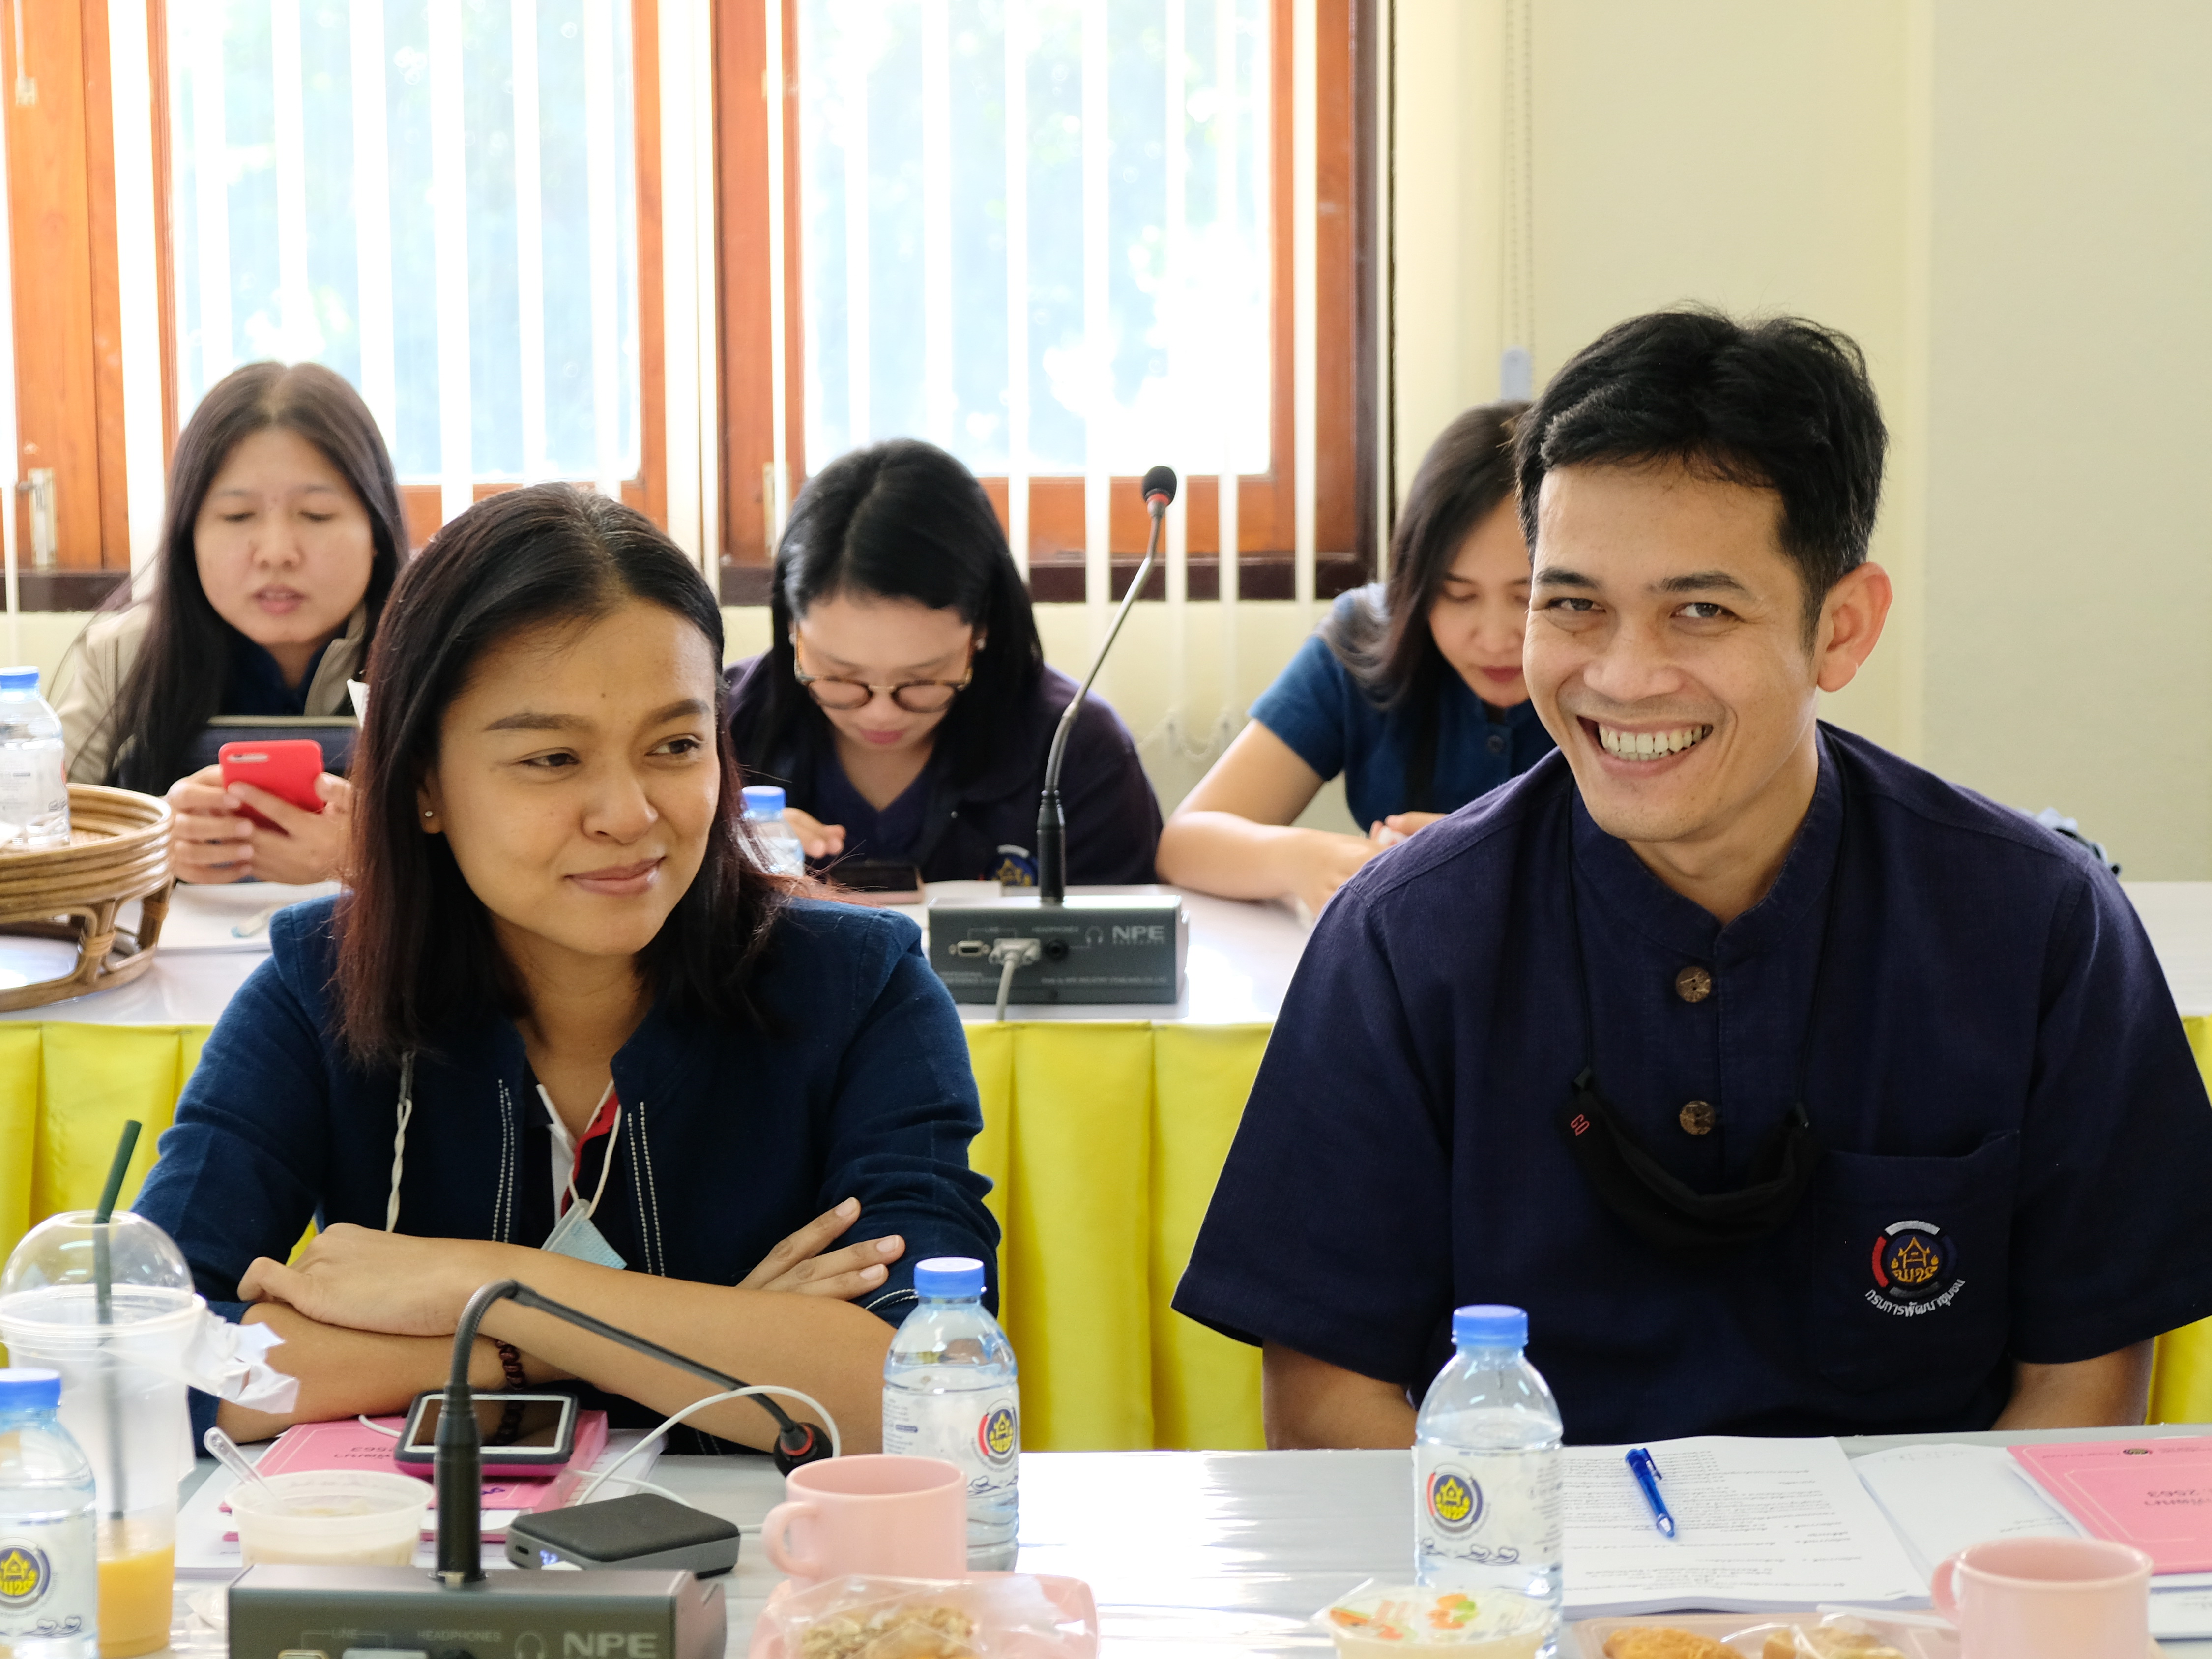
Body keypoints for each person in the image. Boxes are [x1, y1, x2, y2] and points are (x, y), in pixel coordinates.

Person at [1173, 309, 2212, 1445]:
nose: (1623, 678)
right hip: (1517, 1552)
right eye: (1572, 604)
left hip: (1933, 1564)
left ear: (1841, 629)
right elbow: (1328, 1402)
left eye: (1700, 611)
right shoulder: (1402, 939)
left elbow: (2080, 1393)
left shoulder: (2040, 925)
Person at [130, 483, 1000, 1453]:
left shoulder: (862, 989)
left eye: (675, 745)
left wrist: (482, 1286)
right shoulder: (318, 987)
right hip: (424, 1550)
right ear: (423, 783)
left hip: (776, 1547)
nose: (629, 814)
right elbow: (152, 1362)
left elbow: (930, 1389)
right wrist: (585, 1341)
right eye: (552, 758)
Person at [1156, 402, 1553, 914]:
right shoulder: (1364, 639)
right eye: (1457, 595)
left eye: (1527, 596)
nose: (1495, 638)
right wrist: (1307, 859)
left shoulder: (1616, 669)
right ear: (1413, 585)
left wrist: (1486, 857)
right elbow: (1185, 845)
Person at [727, 439, 1161, 887]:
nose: (881, 714)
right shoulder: (717, 727)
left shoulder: (1077, 748)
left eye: (921, 680)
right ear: (792, 626)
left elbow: (1124, 927)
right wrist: (722, 863)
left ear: (981, 628)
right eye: (841, 676)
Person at [54, 361, 407, 885]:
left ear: (376, 531)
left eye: (316, 514)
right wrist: (147, 847)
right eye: (238, 516)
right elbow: (35, 843)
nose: (277, 552)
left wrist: (373, 857)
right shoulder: (122, 656)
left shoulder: (431, 652)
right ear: (188, 536)